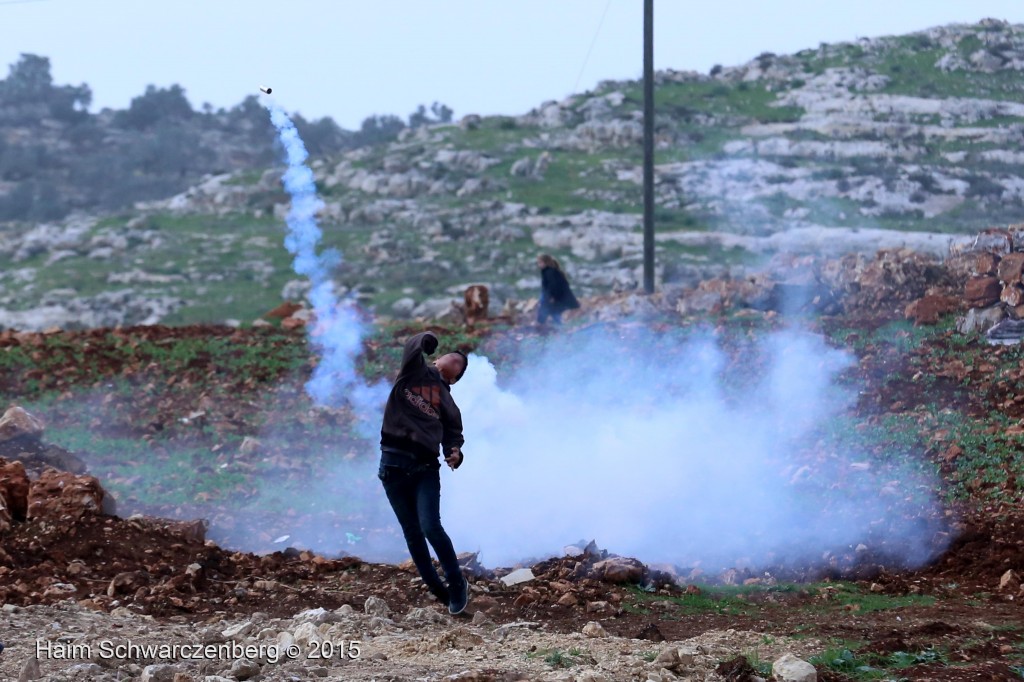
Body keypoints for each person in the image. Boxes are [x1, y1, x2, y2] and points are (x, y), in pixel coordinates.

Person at [379, 331, 470, 615]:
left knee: (431, 527)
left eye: (460, 363)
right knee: (413, 534)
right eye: (452, 355)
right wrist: (427, 338)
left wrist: (455, 452)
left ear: (455, 378)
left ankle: (456, 583)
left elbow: (454, 435)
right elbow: (412, 345)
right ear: (437, 358)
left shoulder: (448, 403)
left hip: (424, 469)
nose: (455, 358)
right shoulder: (413, 371)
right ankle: (437, 589)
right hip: (392, 467)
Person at [536, 254, 580, 325]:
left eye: (540, 263)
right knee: (552, 312)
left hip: (552, 296)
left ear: (546, 263)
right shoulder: (548, 271)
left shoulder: (550, 272)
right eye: (538, 263)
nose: (538, 265)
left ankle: (548, 327)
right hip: (550, 296)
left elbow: (553, 285)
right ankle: (547, 326)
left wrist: (552, 296)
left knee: (551, 312)